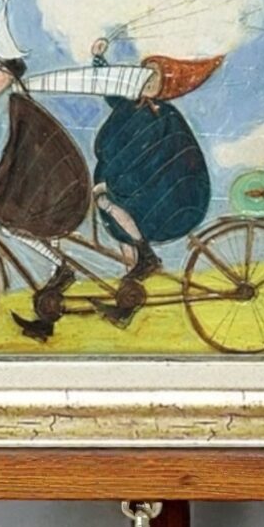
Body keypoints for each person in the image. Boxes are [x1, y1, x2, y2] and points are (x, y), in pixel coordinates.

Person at [0, 0, 92, 343]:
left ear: (7, 74)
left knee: (11, 227)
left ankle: (63, 269)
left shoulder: (21, 108)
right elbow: (20, 160)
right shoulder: (21, 104)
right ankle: (48, 313)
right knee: (17, 224)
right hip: (55, 190)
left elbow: (14, 157)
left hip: (57, 195)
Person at [87, 38, 215, 326]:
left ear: (165, 85)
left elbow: (147, 157)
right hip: (136, 188)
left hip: (162, 193)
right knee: (120, 232)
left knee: (109, 204)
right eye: (144, 74)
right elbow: (110, 87)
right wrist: (98, 59)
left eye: (154, 77)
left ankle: (146, 255)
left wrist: (113, 183)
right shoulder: (131, 106)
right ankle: (126, 301)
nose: (146, 80)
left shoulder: (162, 116)